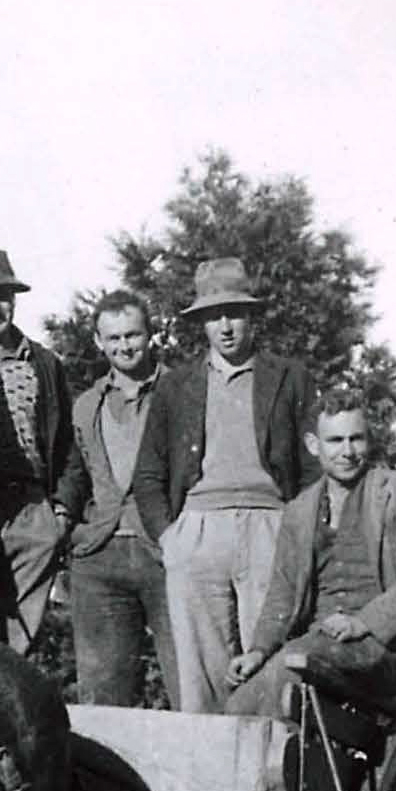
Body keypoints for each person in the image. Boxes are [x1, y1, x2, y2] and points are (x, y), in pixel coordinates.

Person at [130, 257, 315, 712]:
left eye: (234, 314)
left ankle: (271, 756)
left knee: (271, 662)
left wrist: (300, 530)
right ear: (202, 324)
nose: (226, 327)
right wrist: (170, 538)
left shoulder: (289, 377)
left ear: (251, 317)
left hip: (270, 526)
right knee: (201, 677)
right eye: (214, 317)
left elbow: (313, 467)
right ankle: (207, 758)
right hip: (198, 530)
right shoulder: (177, 386)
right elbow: (148, 473)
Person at [224, 385, 396, 717]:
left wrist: (363, 623)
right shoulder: (298, 511)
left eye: (357, 439)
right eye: (336, 440)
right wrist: (258, 651)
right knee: (239, 703)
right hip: (317, 640)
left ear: (368, 440)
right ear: (314, 445)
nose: (348, 451)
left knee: (289, 669)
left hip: (383, 645)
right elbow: (282, 595)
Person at [0, 248, 88, 656]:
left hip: (31, 506)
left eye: (4, 297)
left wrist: (61, 513)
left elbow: (66, 443)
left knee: (21, 638)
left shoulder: (43, 361)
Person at [68, 291, 178, 707]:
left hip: (166, 551)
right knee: (103, 696)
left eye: (133, 335)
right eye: (113, 338)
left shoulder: (182, 391)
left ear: (150, 335)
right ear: (99, 342)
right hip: (101, 554)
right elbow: (74, 473)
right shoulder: (86, 405)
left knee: (191, 682)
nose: (124, 346)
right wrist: (72, 530)